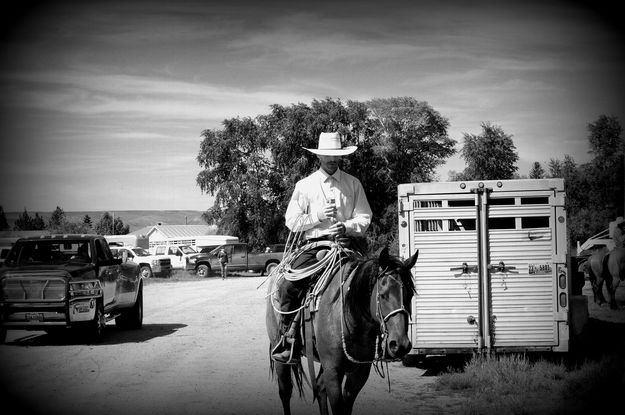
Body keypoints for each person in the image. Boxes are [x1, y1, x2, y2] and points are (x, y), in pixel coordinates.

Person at [271, 131, 372, 364]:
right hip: (314, 245)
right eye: (327, 155)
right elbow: (292, 221)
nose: (331, 159)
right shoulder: (305, 185)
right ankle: (289, 341)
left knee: (375, 281)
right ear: (319, 156)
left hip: (347, 244)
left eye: (335, 155)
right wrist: (316, 216)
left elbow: (364, 217)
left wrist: (346, 227)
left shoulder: (352, 183)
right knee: (288, 286)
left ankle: (375, 338)